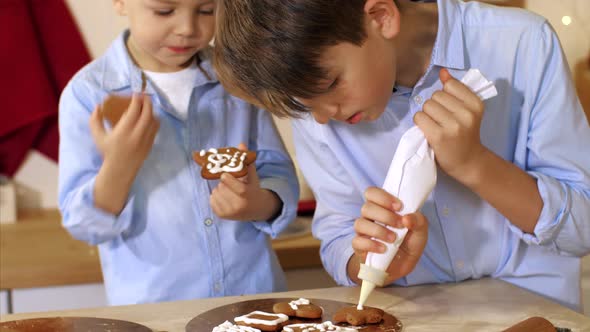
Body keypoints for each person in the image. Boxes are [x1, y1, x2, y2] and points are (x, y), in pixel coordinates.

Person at [212, 0, 590, 311]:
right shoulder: (317, 106)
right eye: (304, 105)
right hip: (415, 315)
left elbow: (581, 231)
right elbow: (338, 239)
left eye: (330, 85)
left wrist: (473, 164)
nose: (324, 117)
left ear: (380, 17)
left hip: (539, 312)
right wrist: (374, 261)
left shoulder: (521, 43)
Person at [58, 0, 299, 305]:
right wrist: (119, 168)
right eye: (164, 11)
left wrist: (258, 203)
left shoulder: (238, 79)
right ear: (120, 3)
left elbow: (277, 174)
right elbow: (82, 223)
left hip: (253, 300)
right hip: (155, 310)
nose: (188, 29)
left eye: (206, 10)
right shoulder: (88, 94)